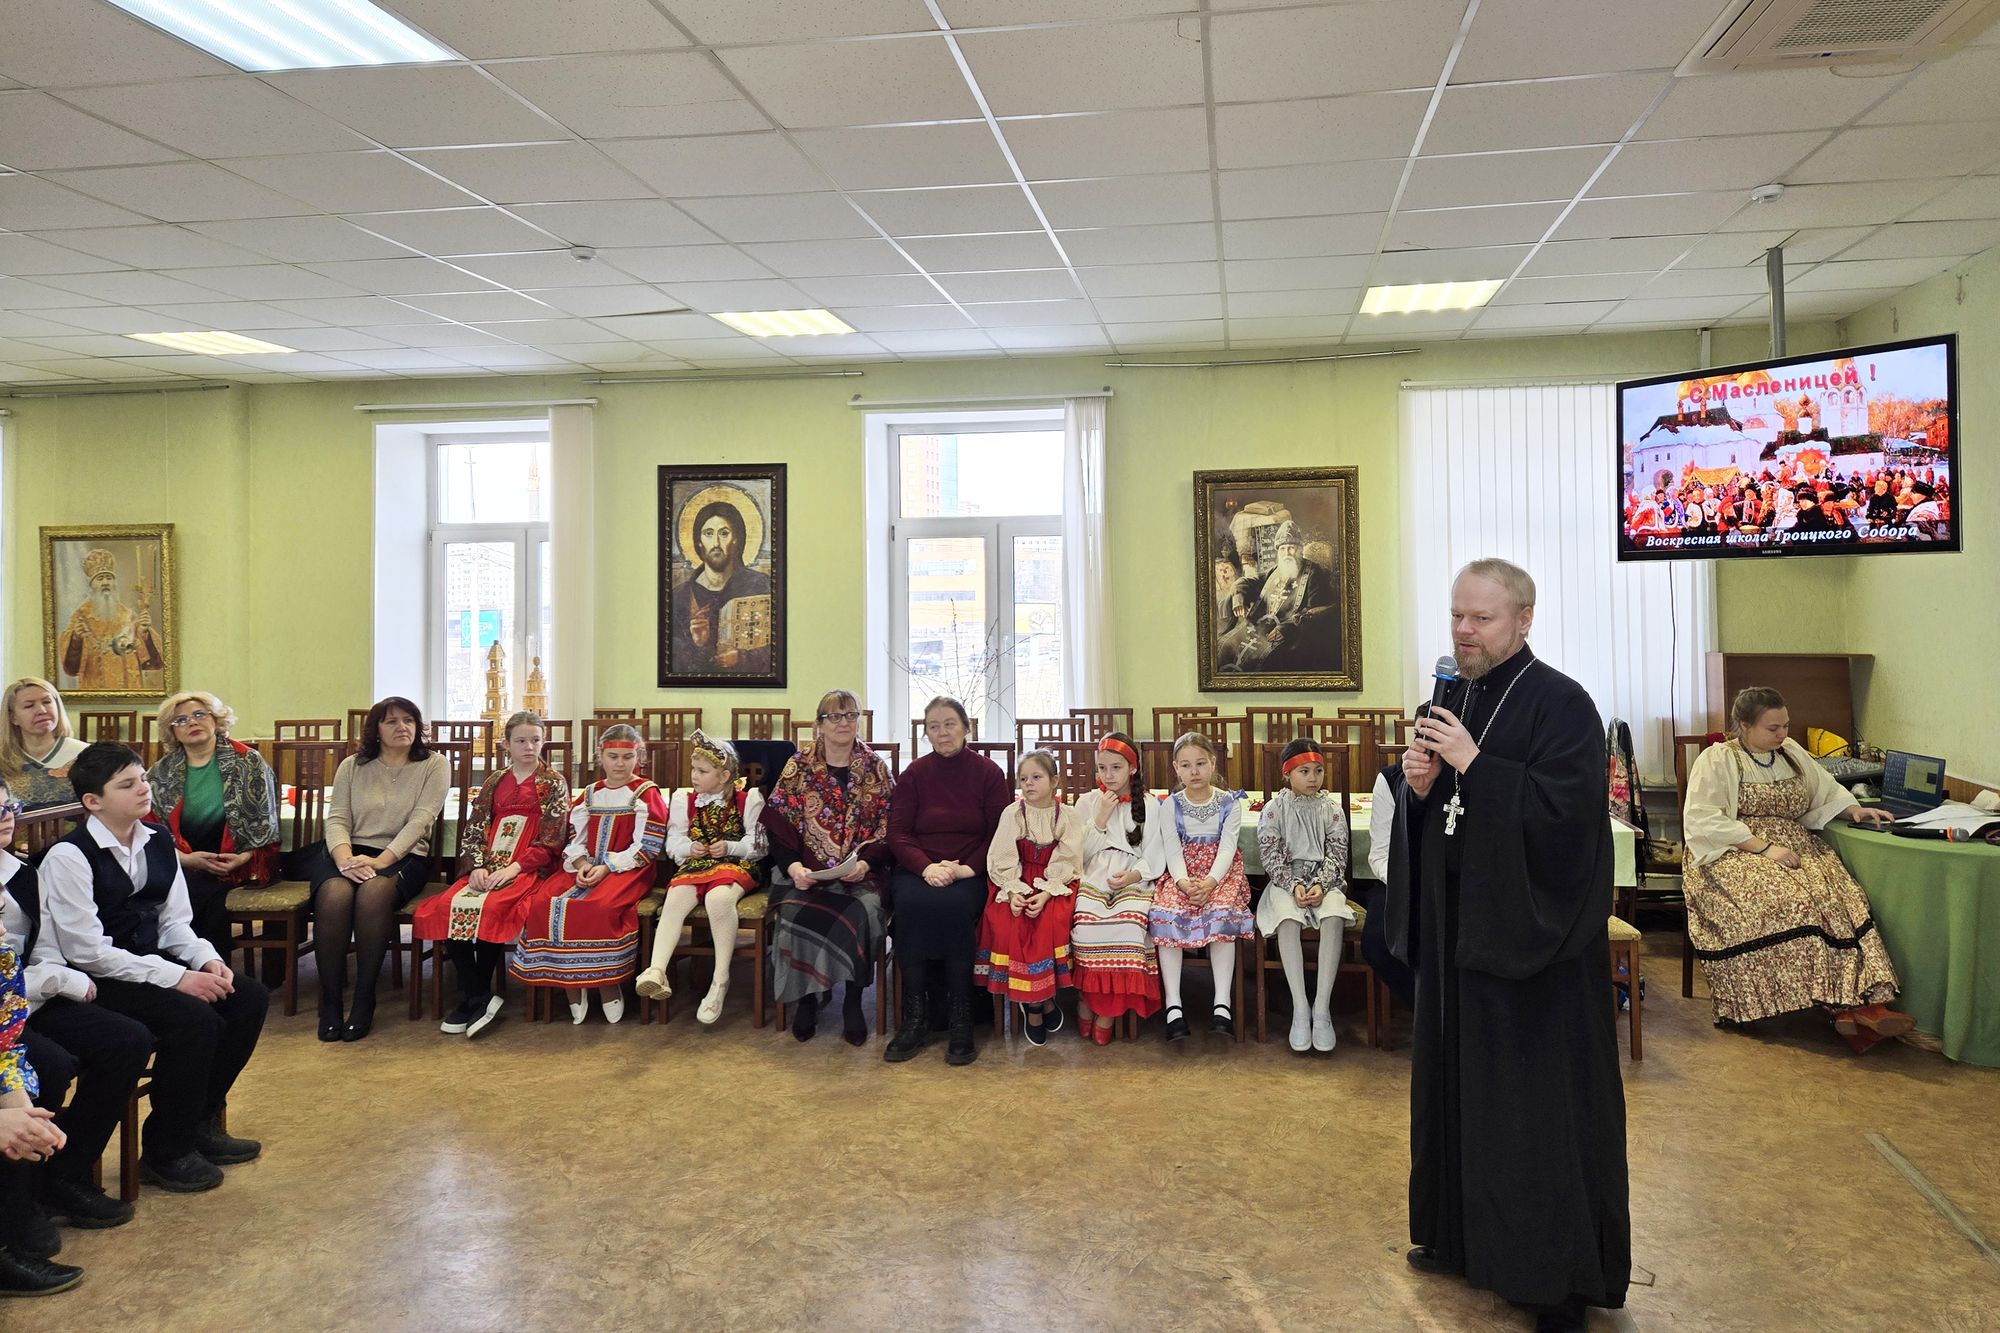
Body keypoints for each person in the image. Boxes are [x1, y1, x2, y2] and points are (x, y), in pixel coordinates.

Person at [1386, 558, 1628, 1332]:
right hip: (1464, 938)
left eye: (1480, 618)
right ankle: (1460, 1238)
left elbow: (1568, 822)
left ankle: (1553, 1279)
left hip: (1535, 952)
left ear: (1523, 619)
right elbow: (1439, 816)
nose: (1463, 630)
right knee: (1461, 1097)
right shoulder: (1450, 696)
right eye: (1456, 614)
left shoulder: (1562, 703)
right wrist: (1418, 790)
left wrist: (1474, 765)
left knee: (1534, 1116)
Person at [38, 743, 267, 1196]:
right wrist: (179, 978)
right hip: (97, 976)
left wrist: (207, 960)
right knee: (194, 1020)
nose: (143, 789)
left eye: (142, 778)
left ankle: (199, 1120)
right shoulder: (69, 856)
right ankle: (166, 1150)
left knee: (246, 998)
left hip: (147, 959)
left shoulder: (157, 839)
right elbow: (87, 952)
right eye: (127, 784)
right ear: (93, 802)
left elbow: (174, 922)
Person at [1682, 687, 1908, 1050]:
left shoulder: (1791, 753)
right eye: (1773, 728)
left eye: (1786, 725)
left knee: (1840, 897)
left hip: (1796, 845)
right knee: (1790, 901)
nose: (1782, 734)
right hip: (1735, 850)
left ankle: (1860, 1005)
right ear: (1744, 725)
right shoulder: (1719, 759)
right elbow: (1704, 819)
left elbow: (1825, 789)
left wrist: (1854, 810)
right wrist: (1765, 848)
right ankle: (1837, 1007)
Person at [1, 781, 148, 1244]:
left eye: (10, 804)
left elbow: (44, 946)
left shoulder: (22, 872)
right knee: (49, 1065)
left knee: (126, 1040)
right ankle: (23, 1199)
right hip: (15, 1007)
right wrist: (54, 981)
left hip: (24, 1001)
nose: (6, 814)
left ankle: (67, 1172)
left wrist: (49, 980)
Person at [412, 712, 569, 1040]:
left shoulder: (553, 781)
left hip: (526, 868)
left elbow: (553, 838)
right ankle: (478, 995)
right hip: (487, 866)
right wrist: (477, 867)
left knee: (495, 907)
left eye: (536, 740)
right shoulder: (494, 781)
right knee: (447, 907)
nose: (529, 747)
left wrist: (514, 868)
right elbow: (476, 825)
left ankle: (474, 997)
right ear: (506, 744)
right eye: (521, 741)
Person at [300, 697, 448, 1043]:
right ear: (376, 730)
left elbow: (422, 819)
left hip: (403, 855)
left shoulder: (433, 764)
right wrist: (343, 858)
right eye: (392, 721)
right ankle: (331, 1001)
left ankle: (365, 998)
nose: (402, 728)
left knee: (374, 891)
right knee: (334, 894)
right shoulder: (353, 766)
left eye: (409, 720)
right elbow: (337, 818)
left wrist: (381, 861)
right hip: (348, 852)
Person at [884, 696, 1011, 1066]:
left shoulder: (988, 773)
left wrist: (964, 869)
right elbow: (898, 834)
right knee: (910, 904)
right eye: (934, 726)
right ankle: (915, 1018)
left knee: (955, 906)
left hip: (970, 870)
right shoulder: (914, 774)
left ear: (966, 727)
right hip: (919, 869)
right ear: (926, 733)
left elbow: (999, 834)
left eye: (949, 724)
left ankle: (961, 1018)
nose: (942, 733)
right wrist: (926, 868)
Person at [509, 725, 665, 1025]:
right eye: (612, 756)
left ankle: (607, 982)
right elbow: (573, 839)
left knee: (598, 906)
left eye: (627, 757)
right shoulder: (590, 794)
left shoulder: (646, 793)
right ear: (600, 757)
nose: (619, 764)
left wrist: (607, 866)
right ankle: (572, 984)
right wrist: (581, 863)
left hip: (627, 869)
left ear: (638, 757)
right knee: (545, 902)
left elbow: (646, 845)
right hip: (585, 866)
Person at [764, 691, 893, 1046]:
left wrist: (866, 862)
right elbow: (778, 826)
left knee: (865, 910)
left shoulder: (876, 768)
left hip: (861, 874)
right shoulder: (798, 766)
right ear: (819, 724)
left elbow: (891, 827)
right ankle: (806, 999)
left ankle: (853, 1002)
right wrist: (792, 868)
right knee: (792, 915)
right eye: (834, 717)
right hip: (806, 874)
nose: (843, 723)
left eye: (850, 715)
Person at [635, 732, 765, 1025]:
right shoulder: (684, 800)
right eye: (693, 770)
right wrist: (686, 848)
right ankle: (657, 969)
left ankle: (720, 980)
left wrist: (730, 847)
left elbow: (758, 845)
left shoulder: (748, 799)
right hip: (695, 866)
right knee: (675, 896)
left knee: (718, 899)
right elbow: (674, 842)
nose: (694, 776)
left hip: (734, 865)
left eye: (702, 772)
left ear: (724, 775)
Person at [145, 691, 281, 960]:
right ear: (172, 731)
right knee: (163, 890)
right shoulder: (160, 772)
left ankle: (205, 971)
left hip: (237, 861)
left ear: (217, 720)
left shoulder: (247, 762)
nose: (191, 723)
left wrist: (241, 858)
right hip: (182, 861)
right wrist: (185, 860)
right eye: (180, 720)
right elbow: (149, 830)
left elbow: (266, 823)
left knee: (197, 893)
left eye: (199, 715)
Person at [0, 904, 82, 1298]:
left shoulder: (2, 962)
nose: (3, 931)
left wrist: (20, 1113)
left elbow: (4, 1047)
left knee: (23, 1108)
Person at [974, 750, 1082, 1047]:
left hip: (1053, 882)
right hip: (1017, 879)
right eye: (1024, 779)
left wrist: (1048, 892)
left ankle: (1038, 1000)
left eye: (1037, 777)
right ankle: (1038, 1005)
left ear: (1054, 781)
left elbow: (1068, 857)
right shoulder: (1013, 813)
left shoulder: (1067, 815)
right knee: (1011, 922)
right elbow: (1003, 854)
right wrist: (1012, 891)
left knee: (1050, 923)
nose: (1029, 784)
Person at [1149, 732, 1253, 1041]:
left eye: (1200, 764)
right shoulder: (1170, 805)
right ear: (1176, 768)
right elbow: (1171, 848)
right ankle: (1173, 1006)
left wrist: (1209, 882)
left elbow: (1227, 847)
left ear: (1212, 763)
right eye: (1186, 765)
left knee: (1221, 912)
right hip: (1182, 875)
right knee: (1166, 912)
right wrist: (1182, 882)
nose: (1194, 772)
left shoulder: (1228, 802)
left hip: (1219, 875)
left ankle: (1222, 1003)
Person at [1254, 738, 1354, 1054]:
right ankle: (1300, 1007)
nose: (1313, 778)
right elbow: (1269, 853)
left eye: (1318, 771)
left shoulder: (1332, 810)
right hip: (1286, 884)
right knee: (1286, 918)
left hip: (1326, 882)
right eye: (1304, 771)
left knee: (1334, 915)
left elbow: (1338, 854)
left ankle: (1322, 1009)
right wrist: (1293, 882)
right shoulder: (1274, 810)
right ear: (1287, 774)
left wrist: (1321, 885)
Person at [1070, 734, 1163, 1045]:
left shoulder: (1150, 805)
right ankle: (1087, 999)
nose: (1108, 776)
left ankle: (1109, 1010)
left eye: (1116, 768)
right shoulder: (1087, 803)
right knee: (1085, 924)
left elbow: (1155, 853)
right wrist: (1100, 818)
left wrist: (1133, 875)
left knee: (1128, 925)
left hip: (1134, 875)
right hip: (1095, 873)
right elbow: (1076, 854)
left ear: (1132, 769)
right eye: (1102, 768)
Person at [670, 492, 773, 674]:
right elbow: (677, 665)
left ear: (736, 539)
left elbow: (777, 649)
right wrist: (700, 644)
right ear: (699, 542)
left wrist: (741, 658)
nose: (716, 543)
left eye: (724, 533)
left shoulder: (762, 586)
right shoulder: (680, 597)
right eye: (708, 534)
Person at [59, 548, 162, 693]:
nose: (105, 583)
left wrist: (145, 634)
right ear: (92, 585)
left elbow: (153, 663)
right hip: (95, 687)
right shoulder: (81, 616)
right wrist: (76, 638)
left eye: (109, 578)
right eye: (100, 579)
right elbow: (70, 668)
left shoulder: (128, 615)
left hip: (129, 689)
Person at [0, 678, 87, 811]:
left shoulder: (86, 754)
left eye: (47, 702)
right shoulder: (3, 759)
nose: (41, 710)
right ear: (13, 718)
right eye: (29, 706)